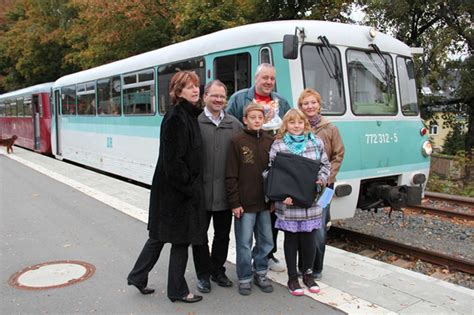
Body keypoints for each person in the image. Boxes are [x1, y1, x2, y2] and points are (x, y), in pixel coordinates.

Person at [127, 71, 206, 303]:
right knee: (180, 240)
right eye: (188, 86)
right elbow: (174, 161)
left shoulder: (186, 114)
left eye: (196, 86)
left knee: (160, 236)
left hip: (171, 191)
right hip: (177, 192)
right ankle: (178, 290)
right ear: (177, 91)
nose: (195, 90)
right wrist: (190, 187)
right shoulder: (177, 117)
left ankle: (138, 276)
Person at [226, 63, 291, 272]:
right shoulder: (239, 98)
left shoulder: (281, 101)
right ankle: (249, 267)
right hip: (247, 162)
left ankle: (267, 256)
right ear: (256, 78)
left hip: (273, 164)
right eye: (265, 78)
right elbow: (229, 125)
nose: (268, 82)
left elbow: (292, 127)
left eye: (272, 78)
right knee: (248, 226)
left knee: (270, 216)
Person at [269, 108, 330, 296]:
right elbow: (271, 171)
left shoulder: (316, 142)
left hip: (310, 199)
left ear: (305, 124)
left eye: (300, 122)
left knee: (309, 238)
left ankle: (308, 274)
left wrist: (321, 179)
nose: (297, 126)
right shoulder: (278, 145)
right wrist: (280, 194)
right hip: (288, 201)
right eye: (292, 122)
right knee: (291, 239)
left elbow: (325, 165)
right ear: (285, 125)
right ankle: (293, 277)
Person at [192, 80, 242, 294]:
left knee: (222, 235)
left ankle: (217, 270)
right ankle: (203, 274)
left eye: (222, 96)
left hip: (225, 193)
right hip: (199, 194)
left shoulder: (234, 124)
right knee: (199, 236)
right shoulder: (195, 122)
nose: (219, 100)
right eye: (214, 95)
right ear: (205, 97)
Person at [225, 103, 275, 296]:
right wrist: (234, 202)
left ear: (264, 120)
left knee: (266, 241)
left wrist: (273, 200)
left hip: (264, 203)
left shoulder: (270, 142)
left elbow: (275, 174)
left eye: (260, 117)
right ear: (245, 120)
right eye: (252, 117)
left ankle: (260, 271)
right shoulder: (237, 142)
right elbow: (231, 174)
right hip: (244, 204)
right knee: (244, 242)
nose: (256, 120)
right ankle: (245, 276)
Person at [297, 88, 345, 280]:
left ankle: (317, 267)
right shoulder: (298, 126)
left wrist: (327, 178)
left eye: (313, 102)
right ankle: (303, 266)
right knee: (302, 226)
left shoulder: (330, 128)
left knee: (319, 227)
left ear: (319, 104)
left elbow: (338, 155)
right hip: (303, 186)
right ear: (301, 106)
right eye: (305, 103)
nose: (310, 106)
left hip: (326, 188)